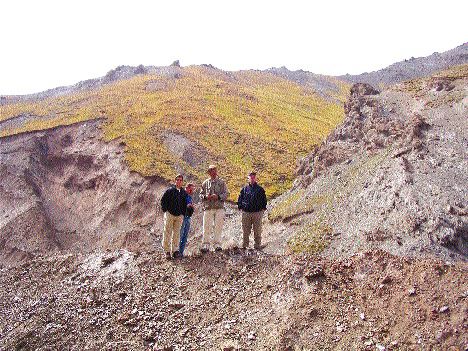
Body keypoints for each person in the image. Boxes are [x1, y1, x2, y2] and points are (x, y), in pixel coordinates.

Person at [199, 165, 229, 253]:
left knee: (218, 226)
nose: (213, 172)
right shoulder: (205, 183)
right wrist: (205, 197)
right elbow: (200, 195)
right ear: (209, 172)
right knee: (206, 226)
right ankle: (205, 245)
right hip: (208, 208)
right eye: (211, 170)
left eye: (214, 170)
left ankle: (217, 244)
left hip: (219, 208)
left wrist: (218, 197)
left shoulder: (222, 182)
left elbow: (227, 193)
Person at [237, 171, 267, 250]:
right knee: (245, 230)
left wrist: (262, 209)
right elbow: (240, 199)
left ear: (256, 178)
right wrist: (240, 207)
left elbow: (264, 200)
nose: (252, 178)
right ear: (248, 178)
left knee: (257, 230)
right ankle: (245, 246)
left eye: (254, 177)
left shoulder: (260, 189)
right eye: (251, 177)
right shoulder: (244, 189)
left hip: (257, 213)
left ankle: (257, 246)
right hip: (246, 213)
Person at [160, 174, 187, 259]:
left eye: (180, 180)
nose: (179, 181)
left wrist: (183, 213)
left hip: (179, 216)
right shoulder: (170, 191)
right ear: (175, 181)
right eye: (177, 180)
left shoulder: (183, 192)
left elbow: (185, 204)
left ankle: (175, 250)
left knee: (177, 233)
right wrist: (165, 210)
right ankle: (167, 251)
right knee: (167, 232)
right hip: (170, 214)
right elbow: (163, 200)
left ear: (182, 182)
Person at [178, 183, 195, 257]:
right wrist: (189, 206)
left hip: (188, 216)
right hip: (183, 216)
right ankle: (176, 251)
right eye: (191, 189)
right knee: (180, 234)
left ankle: (181, 252)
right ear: (187, 188)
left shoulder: (189, 197)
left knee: (185, 235)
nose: (192, 191)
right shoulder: (183, 195)